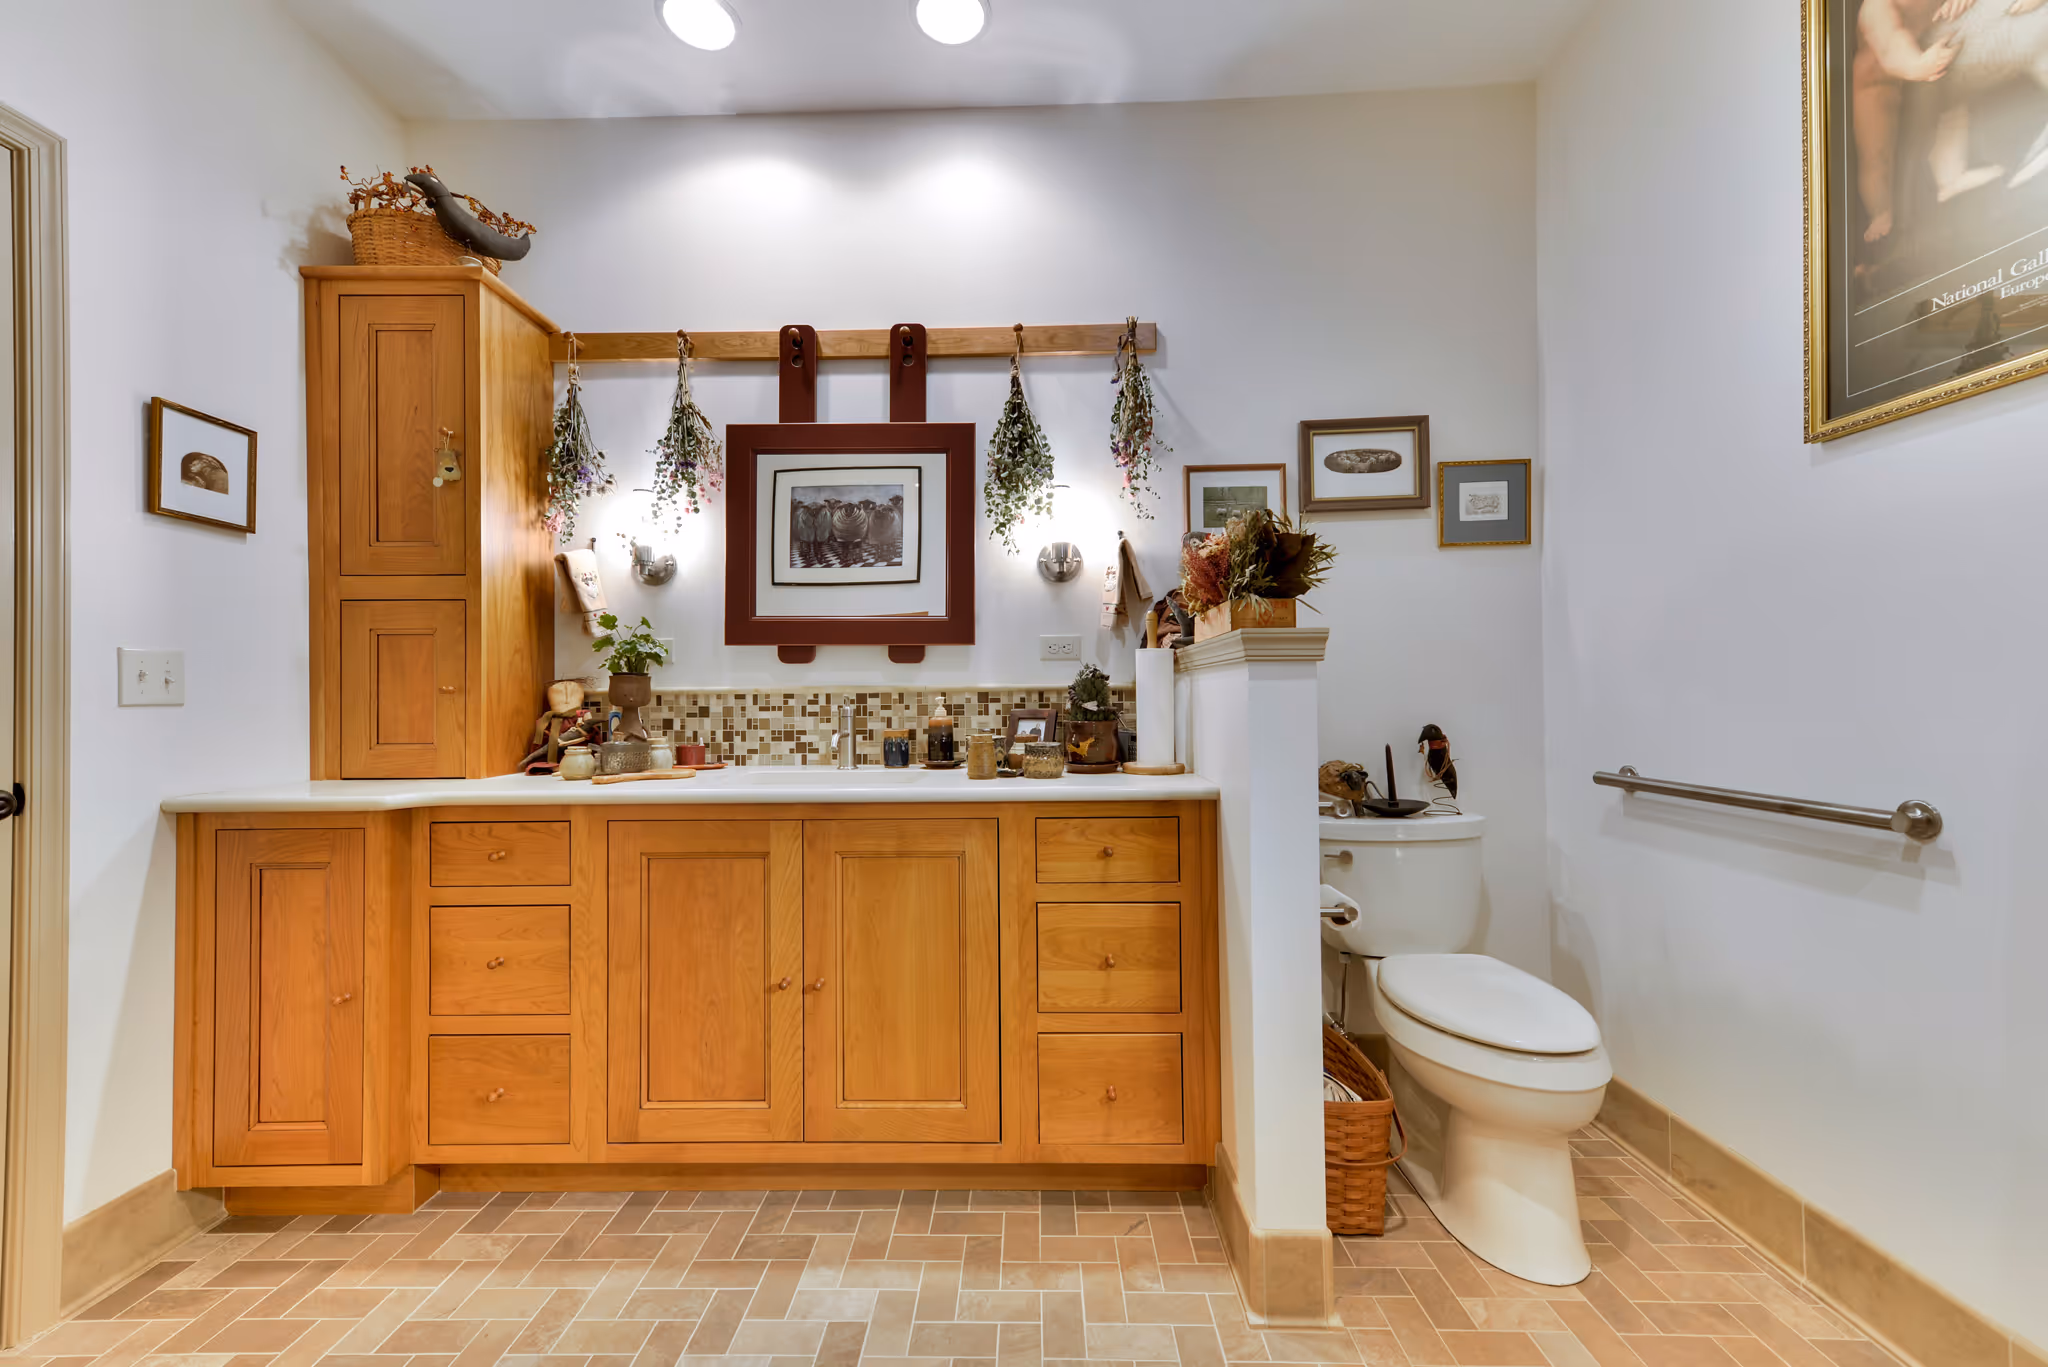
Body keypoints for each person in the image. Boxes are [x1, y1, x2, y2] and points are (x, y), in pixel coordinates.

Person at [1853, 0, 2015, 244]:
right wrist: (1916, 66)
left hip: (1926, 55)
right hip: (1878, 79)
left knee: (1950, 104)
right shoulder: (1875, 8)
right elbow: (1889, 47)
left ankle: (1952, 174)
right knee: (1876, 156)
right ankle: (1881, 213)